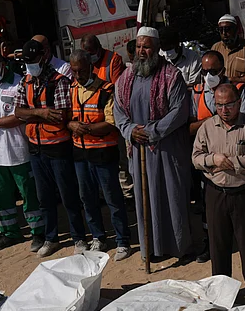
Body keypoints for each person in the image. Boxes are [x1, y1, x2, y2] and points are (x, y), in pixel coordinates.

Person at [113, 27, 195, 261]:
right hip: (138, 150)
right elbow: (118, 110)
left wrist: (150, 131)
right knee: (144, 199)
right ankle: (151, 248)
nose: (141, 51)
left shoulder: (172, 75)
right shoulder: (126, 78)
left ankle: (180, 247)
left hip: (167, 149)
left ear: (157, 48)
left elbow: (179, 112)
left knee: (173, 196)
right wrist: (130, 130)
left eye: (146, 46)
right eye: (138, 47)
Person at [193, 83, 245, 301]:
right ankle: (222, 291)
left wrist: (230, 163)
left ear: (239, 103)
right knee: (218, 243)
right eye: (219, 105)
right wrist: (212, 159)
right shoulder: (207, 127)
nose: (224, 110)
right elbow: (196, 157)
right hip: (215, 192)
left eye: (229, 105)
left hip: (244, 192)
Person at [16, 39, 88, 256]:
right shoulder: (26, 81)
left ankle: (79, 238)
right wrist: (40, 113)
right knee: (44, 197)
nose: (30, 66)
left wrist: (33, 113)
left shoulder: (59, 81)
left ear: (43, 58)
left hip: (57, 148)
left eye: (33, 61)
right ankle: (51, 237)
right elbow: (18, 112)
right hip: (36, 149)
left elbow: (60, 116)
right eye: (27, 62)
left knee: (68, 195)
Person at [0, 49, 44, 250]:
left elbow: (21, 115)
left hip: (16, 149)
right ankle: (10, 233)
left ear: (1, 63)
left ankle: (38, 233)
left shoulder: (18, 83)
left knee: (28, 194)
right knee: (0, 195)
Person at [67, 50, 132, 260]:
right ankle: (98, 237)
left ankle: (123, 241)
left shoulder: (106, 89)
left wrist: (85, 128)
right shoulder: (72, 89)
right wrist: (71, 125)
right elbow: (67, 118)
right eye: (74, 71)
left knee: (113, 198)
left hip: (103, 154)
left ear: (90, 68)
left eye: (81, 71)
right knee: (87, 198)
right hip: (80, 154)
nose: (78, 75)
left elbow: (111, 122)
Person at [213, 15, 245, 89]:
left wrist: (235, 80)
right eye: (221, 30)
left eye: (227, 29)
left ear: (236, 30)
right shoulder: (216, 48)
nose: (224, 33)